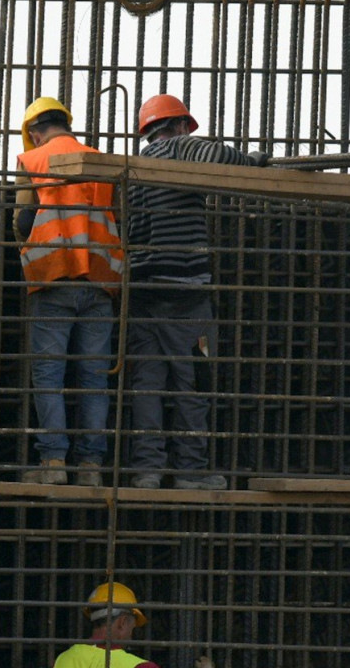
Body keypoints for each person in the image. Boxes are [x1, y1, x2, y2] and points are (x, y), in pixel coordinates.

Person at [124, 95, 268, 490]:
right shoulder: (179, 147)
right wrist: (256, 160)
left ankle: (147, 471)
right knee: (193, 382)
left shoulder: (134, 167)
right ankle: (190, 472)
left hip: (141, 290)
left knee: (148, 385)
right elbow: (222, 157)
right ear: (181, 124)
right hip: (184, 293)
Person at [14, 97, 125, 487]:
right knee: (95, 377)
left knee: (49, 375)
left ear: (33, 131)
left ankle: (54, 463)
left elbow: (23, 220)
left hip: (53, 278)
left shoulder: (33, 162)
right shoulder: (101, 160)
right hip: (100, 280)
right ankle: (91, 469)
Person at [52, 582, 161, 668]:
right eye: (132, 627)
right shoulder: (141, 666)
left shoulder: (63, 659)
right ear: (122, 622)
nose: (131, 636)